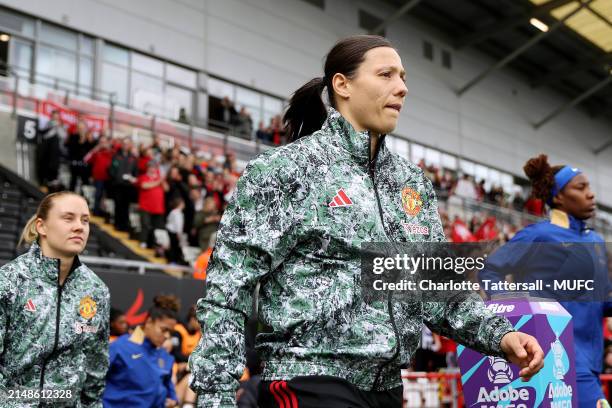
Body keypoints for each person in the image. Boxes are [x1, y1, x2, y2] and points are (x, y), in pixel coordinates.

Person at [189, 35, 544, 408]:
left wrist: (501, 338)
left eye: (403, 77)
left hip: (388, 389)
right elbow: (228, 291)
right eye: (386, 74)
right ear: (342, 85)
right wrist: (216, 395)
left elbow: (441, 291)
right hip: (309, 379)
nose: (402, 88)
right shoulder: (286, 171)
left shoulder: (412, 184)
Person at [479, 154, 611, 408]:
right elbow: (490, 270)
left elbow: (602, 300)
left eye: (590, 187)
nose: (591, 194)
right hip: (554, 358)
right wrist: (512, 308)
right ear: (559, 197)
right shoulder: (538, 235)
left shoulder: (595, 241)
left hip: (591, 361)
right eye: (581, 187)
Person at [0, 191, 110, 406]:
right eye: (68, 218)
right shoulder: (9, 281)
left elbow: (95, 371)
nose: (79, 226)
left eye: (85, 220)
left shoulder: (96, 290)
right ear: (41, 226)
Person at [103, 295, 179, 408]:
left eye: (170, 332)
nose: (167, 336)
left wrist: (173, 400)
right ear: (149, 322)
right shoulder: (119, 347)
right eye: (164, 330)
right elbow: (93, 383)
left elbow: (170, 391)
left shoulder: (165, 355)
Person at [108, 137, 138, 232]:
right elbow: (112, 169)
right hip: (118, 184)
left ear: (130, 145)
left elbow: (135, 172)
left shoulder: (133, 158)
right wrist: (116, 178)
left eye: (127, 144)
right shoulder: (116, 155)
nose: (125, 145)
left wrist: (133, 178)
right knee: (118, 205)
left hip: (128, 186)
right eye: (124, 143)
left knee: (126, 206)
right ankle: (117, 223)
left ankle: (124, 225)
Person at [137, 160, 166, 248]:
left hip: (158, 207)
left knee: (156, 227)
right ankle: (143, 241)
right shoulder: (143, 177)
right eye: (151, 167)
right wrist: (159, 181)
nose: (153, 169)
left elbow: (166, 188)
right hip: (145, 206)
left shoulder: (159, 177)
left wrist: (162, 180)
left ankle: (153, 244)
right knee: (145, 224)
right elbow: (144, 186)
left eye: (154, 167)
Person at [36, 110, 66, 188]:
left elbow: (63, 137)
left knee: (53, 171)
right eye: (54, 117)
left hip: (55, 156)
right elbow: (44, 136)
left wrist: (58, 127)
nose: (55, 119)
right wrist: (52, 128)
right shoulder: (47, 125)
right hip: (46, 154)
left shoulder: (62, 127)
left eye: (57, 117)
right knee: (44, 168)